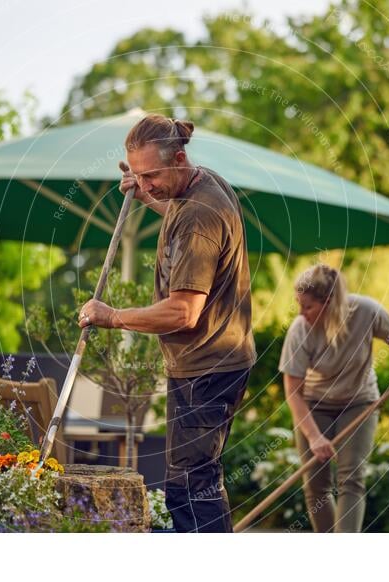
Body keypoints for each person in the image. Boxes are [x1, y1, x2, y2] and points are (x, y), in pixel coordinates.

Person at [77, 113, 257, 532]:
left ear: (178, 158)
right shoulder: (198, 182)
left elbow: (183, 312)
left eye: (151, 175)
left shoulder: (201, 215)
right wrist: (147, 199)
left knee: (191, 489)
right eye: (137, 176)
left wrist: (112, 316)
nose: (143, 184)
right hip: (214, 360)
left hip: (208, 367)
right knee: (196, 482)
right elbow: (180, 218)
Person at [278, 263, 389, 533]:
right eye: (299, 305)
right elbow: (293, 393)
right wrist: (314, 436)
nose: (301, 313)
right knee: (316, 484)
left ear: (329, 302)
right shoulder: (300, 331)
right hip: (314, 405)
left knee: (351, 479)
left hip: (359, 402)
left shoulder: (366, 311)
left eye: (308, 306)